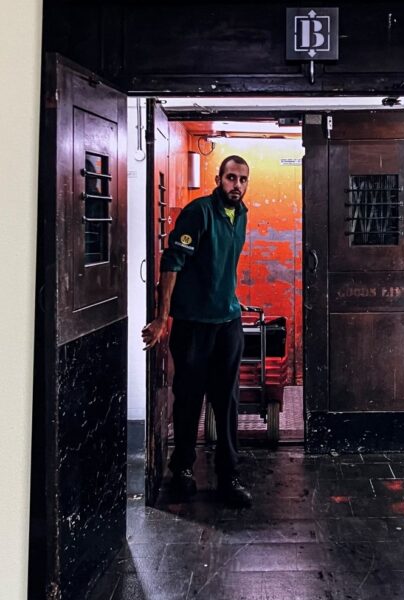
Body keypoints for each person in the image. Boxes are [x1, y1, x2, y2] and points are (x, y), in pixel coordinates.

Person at [142, 155, 252, 508]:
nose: (237, 185)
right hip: (193, 325)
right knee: (189, 398)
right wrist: (162, 318)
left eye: (243, 179)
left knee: (227, 400)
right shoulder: (199, 212)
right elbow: (172, 262)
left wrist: (229, 299)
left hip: (227, 323)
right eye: (231, 178)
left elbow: (221, 267)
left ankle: (228, 476)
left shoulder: (241, 214)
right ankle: (182, 471)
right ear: (219, 179)